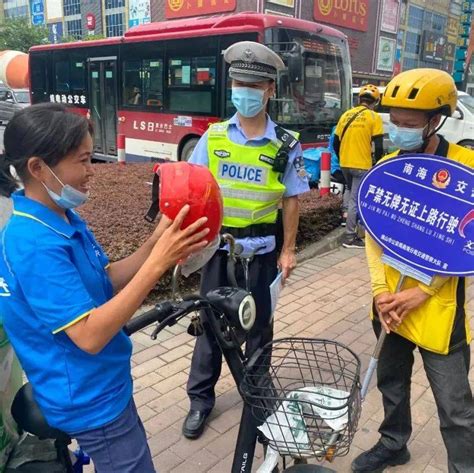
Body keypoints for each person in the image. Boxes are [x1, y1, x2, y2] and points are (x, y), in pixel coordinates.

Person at [0, 103, 211, 473]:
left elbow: (106, 279)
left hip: (102, 381)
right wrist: (159, 262)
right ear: (37, 168)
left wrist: (155, 241)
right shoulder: (34, 244)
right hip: (88, 398)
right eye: (82, 161)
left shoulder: (59, 217)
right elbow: (90, 335)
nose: (90, 172)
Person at [182, 41, 309, 439]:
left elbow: (291, 201)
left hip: (263, 256)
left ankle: (255, 392)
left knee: (259, 328)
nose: (245, 91)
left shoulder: (286, 145)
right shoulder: (213, 138)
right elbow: (193, 190)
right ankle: (200, 400)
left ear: (270, 90)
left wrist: (288, 250)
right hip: (219, 253)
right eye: (239, 83)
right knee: (209, 326)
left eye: (254, 85)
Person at [352, 69, 474, 473]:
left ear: (435, 120)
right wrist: (378, 293)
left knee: (455, 407)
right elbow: (372, 238)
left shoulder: (465, 168)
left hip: (438, 312)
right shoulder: (386, 168)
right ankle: (393, 443)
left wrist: (421, 291)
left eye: (409, 124)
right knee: (392, 384)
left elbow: (464, 245)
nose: (398, 131)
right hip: (387, 306)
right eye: (394, 122)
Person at [333, 84, 384, 248]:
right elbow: (379, 145)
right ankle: (349, 236)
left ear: (359, 99)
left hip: (345, 162)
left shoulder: (346, 115)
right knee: (357, 198)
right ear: (375, 102)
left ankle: (345, 219)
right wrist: (378, 162)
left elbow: (335, 142)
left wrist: (343, 156)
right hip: (362, 165)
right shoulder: (374, 117)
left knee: (348, 190)